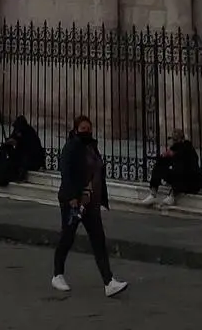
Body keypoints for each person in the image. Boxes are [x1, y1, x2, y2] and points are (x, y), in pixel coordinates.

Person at [50, 116, 128, 298]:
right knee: (67, 237)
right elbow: (66, 172)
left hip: (91, 203)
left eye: (89, 128)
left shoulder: (92, 147)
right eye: (83, 128)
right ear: (76, 129)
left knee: (98, 240)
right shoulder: (71, 147)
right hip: (74, 201)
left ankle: (109, 282)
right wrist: (71, 198)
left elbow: (97, 171)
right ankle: (57, 274)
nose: (86, 131)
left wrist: (102, 198)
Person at [142, 129, 202, 207]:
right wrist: (164, 157)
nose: (174, 142)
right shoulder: (175, 147)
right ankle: (153, 193)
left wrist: (174, 155)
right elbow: (167, 159)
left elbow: (186, 162)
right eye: (173, 139)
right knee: (159, 165)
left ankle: (172, 196)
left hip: (190, 179)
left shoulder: (187, 147)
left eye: (176, 139)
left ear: (182, 139)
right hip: (178, 178)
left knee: (179, 166)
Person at [0, 114, 47, 188]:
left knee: (24, 156)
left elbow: (31, 149)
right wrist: (9, 142)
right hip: (20, 155)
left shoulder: (30, 133)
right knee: (5, 148)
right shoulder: (17, 131)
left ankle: (21, 176)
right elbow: (12, 139)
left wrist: (18, 143)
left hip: (32, 160)